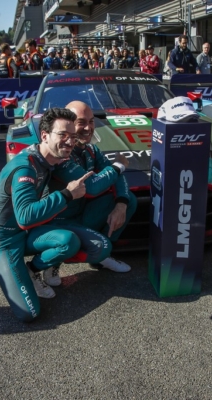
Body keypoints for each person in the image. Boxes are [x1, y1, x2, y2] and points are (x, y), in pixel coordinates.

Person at [0, 107, 113, 321]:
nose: (70, 142)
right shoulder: (25, 167)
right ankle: (20, 272)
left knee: (74, 242)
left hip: (30, 232)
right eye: (62, 135)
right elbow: (25, 217)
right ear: (44, 135)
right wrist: (67, 195)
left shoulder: (50, 160)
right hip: (4, 240)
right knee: (29, 314)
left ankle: (33, 269)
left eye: (72, 136)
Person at [43, 101, 138, 285]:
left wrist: (121, 204)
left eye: (91, 121)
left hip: (81, 213)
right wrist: (119, 165)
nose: (88, 128)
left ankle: (101, 257)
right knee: (77, 241)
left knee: (129, 200)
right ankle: (52, 262)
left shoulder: (91, 149)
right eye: (81, 122)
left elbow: (116, 177)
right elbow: (92, 186)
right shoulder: (60, 152)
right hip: (58, 221)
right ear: (68, 125)